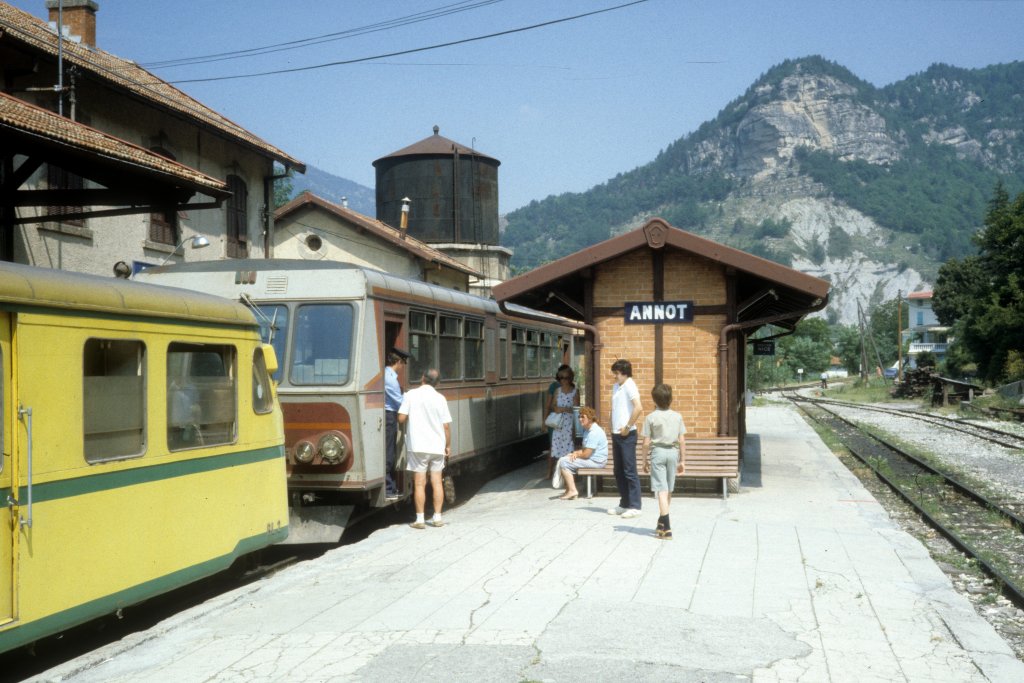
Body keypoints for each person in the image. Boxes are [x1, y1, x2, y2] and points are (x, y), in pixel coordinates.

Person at [398, 368, 452, 529]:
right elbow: (446, 426)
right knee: (437, 482)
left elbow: (401, 418)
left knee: (419, 483)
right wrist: (448, 445)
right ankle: (437, 518)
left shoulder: (410, 395)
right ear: (438, 383)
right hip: (437, 446)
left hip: (418, 446)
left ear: (422, 378)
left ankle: (420, 520)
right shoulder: (441, 398)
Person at [641, 384, 686, 540]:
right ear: (671, 399)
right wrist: (683, 461)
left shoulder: (651, 417)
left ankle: (666, 526)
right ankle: (661, 521)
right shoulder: (678, 417)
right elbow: (681, 441)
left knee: (661, 489)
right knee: (668, 488)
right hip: (673, 453)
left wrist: (644, 460)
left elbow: (646, 442)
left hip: (658, 452)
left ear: (654, 400)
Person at [608, 359, 643, 518]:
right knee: (618, 470)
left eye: (616, 373)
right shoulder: (617, 386)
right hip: (616, 433)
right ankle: (624, 503)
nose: (615, 376)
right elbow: (614, 408)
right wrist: (610, 425)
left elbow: (638, 408)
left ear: (624, 373)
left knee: (629, 471)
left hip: (627, 434)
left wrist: (628, 427)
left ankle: (635, 506)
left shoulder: (630, 384)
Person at [556, 406, 607, 500]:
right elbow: (584, 450)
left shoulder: (594, 432)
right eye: (579, 416)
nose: (580, 419)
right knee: (566, 458)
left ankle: (572, 491)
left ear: (590, 418)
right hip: (592, 459)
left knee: (564, 462)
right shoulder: (587, 430)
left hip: (597, 462)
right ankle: (569, 490)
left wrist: (577, 455)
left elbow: (586, 454)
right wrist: (574, 453)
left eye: (583, 417)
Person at [545, 365, 579, 478]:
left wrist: (563, 409)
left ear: (570, 378)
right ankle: (558, 473)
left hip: (569, 424)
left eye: (566, 377)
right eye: (561, 378)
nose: (563, 380)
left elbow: (576, 409)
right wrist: (556, 409)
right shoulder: (557, 391)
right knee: (556, 447)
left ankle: (569, 474)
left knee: (569, 447)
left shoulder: (575, 391)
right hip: (558, 424)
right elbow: (553, 406)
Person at [383, 348, 409, 500]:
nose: (402, 366)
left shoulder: (389, 376)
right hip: (390, 417)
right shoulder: (390, 379)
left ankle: (390, 486)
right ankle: (388, 488)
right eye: (402, 363)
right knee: (389, 451)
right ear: (398, 362)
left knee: (390, 450)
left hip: (390, 415)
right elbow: (399, 401)